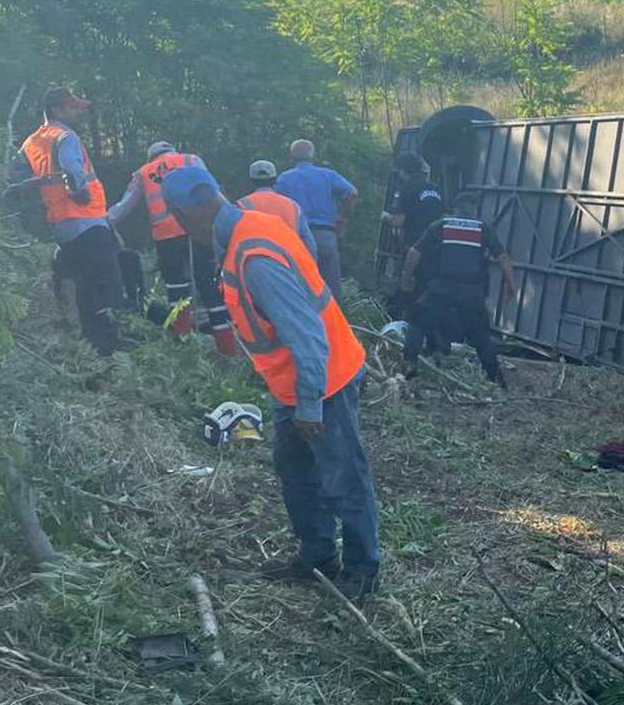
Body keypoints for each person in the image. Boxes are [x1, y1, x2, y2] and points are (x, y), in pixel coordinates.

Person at [161, 165, 380, 600]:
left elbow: (307, 336)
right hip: (295, 383)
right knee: (295, 470)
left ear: (196, 211)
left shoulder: (255, 256)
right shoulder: (247, 227)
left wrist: (310, 404)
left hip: (322, 381)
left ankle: (362, 571)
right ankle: (317, 556)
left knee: (342, 477)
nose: (183, 229)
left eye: (181, 219)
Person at [9, 87, 125, 355]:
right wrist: (79, 191)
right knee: (107, 288)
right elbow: (73, 170)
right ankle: (114, 350)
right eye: (72, 107)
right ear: (57, 110)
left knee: (85, 289)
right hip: (88, 221)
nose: (77, 112)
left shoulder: (31, 143)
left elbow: (13, 180)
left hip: (63, 228)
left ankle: (93, 350)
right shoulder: (66, 136)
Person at [107, 141, 235, 354]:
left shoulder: (143, 172)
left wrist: (102, 223)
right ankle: (227, 343)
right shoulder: (191, 160)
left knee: (177, 290)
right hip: (198, 228)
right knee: (209, 284)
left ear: (151, 157)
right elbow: (210, 190)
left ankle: (183, 341)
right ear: (172, 151)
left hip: (166, 237)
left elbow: (124, 207)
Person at [399, 192, 516, 389]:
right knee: (480, 335)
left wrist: (407, 277)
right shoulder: (482, 228)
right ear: (474, 209)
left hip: (441, 287)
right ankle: (496, 379)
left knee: (417, 321)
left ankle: (409, 364)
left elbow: (414, 252)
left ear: (454, 207)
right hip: (472, 291)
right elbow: (503, 258)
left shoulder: (441, 225)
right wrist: (511, 284)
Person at [275, 139, 357, 297]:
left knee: (301, 287)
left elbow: (277, 203)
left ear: (292, 156)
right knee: (331, 288)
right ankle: (332, 320)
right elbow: (352, 193)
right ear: (313, 155)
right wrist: (341, 217)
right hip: (325, 235)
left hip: (297, 238)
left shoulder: (284, 179)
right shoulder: (328, 175)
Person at [382, 151, 444, 322]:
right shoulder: (436, 189)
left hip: (414, 247)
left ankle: (400, 322)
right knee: (427, 288)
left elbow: (398, 221)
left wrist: (385, 216)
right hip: (437, 248)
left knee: (406, 284)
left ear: (403, 170)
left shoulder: (407, 189)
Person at [238, 159, 316, 252]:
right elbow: (307, 240)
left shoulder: (242, 205)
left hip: (257, 259)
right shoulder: (292, 205)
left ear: (252, 181)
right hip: (290, 258)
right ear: (275, 180)